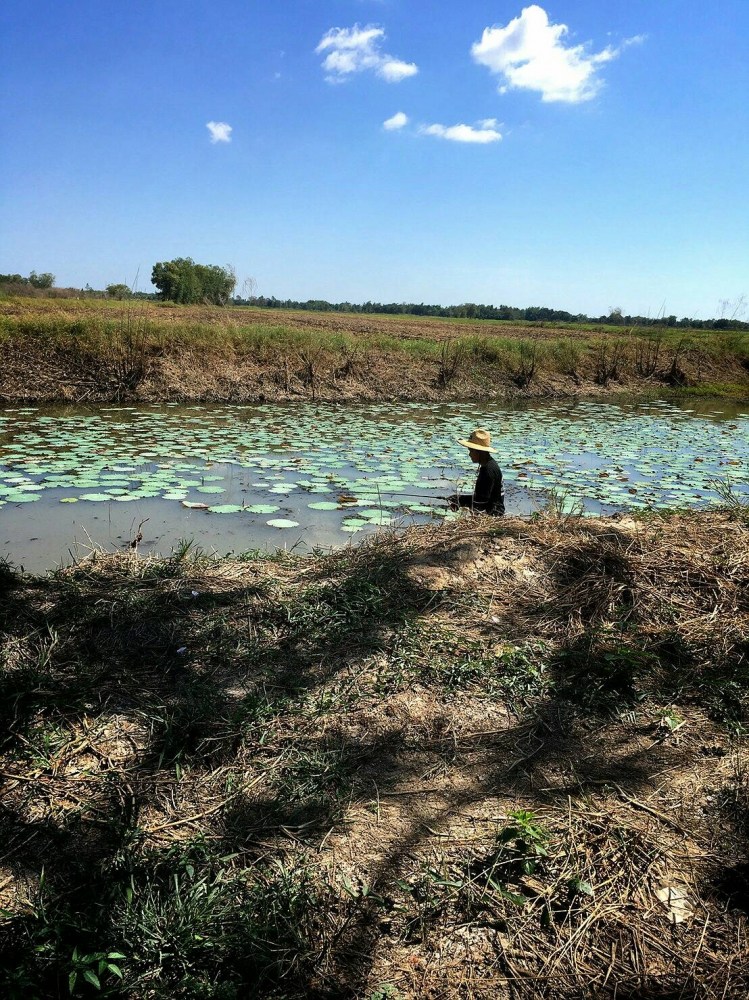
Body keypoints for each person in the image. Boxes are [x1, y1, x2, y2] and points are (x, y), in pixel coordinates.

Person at [449, 427, 505, 516]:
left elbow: (481, 503)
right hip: (496, 512)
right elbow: (481, 498)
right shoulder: (490, 464)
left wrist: (458, 500)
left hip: (492, 516)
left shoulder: (487, 470)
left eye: (471, 451)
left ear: (479, 452)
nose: (469, 454)